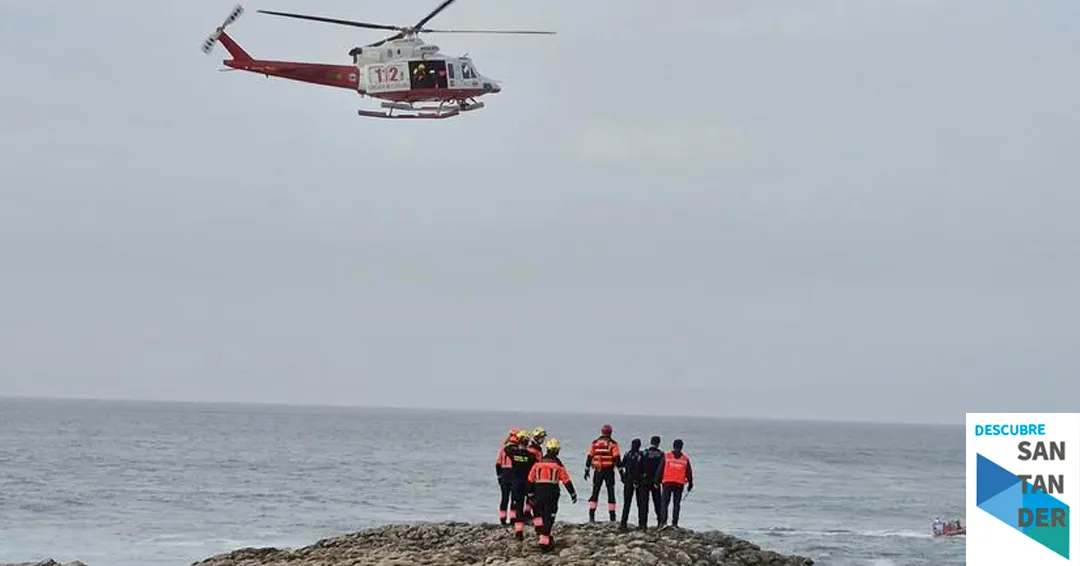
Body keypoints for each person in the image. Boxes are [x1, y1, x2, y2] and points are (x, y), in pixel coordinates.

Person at [527, 437, 577, 551]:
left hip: (538, 492)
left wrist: (530, 495)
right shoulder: (557, 466)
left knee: (540, 514)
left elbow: (529, 480)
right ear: (557, 451)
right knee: (550, 517)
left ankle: (541, 533)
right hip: (552, 493)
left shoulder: (537, 465)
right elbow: (566, 481)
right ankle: (544, 542)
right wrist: (573, 494)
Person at [504, 430, 538, 540]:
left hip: (516, 484)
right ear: (528, 443)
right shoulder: (531, 456)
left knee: (518, 508)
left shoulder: (512, 453)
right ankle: (540, 530)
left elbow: (506, 447)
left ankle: (519, 532)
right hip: (528, 484)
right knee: (534, 507)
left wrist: (510, 437)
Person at [585, 424, 622, 522]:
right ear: (610, 432)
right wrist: (622, 473)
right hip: (609, 470)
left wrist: (587, 469)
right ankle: (612, 517)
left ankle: (591, 516)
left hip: (598, 471)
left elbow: (589, 456)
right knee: (611, 493)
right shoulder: (612, 444)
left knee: (595, 492)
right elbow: (617, 459)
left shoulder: (595, 443)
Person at [655, 438, 693, 529]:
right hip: (679, 484)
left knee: (664, 503)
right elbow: (689, 473)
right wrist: (690, 483)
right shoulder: (685, 459)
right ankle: (674, 523)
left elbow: (660, 469)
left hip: (667, 482)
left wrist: (656, 481)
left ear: (673, 446)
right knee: (676, 504)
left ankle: (663, 522)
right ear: (681, 447)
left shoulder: (667, 456)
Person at [619, 438, 644, 530]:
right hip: (635, 481)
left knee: (628, 503)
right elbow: (642, 469)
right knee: (638, 503)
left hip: (631, 481)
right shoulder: (639, 455)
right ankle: (640, 523)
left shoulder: (628, 454)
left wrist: (622, 475)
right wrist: (623, 476)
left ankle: (623, 523)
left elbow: (621, 465)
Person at [640, 435, 665, 528]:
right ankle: (660, 522)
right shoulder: (661, 454)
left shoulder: (644, 453)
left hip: (645, 480)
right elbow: (663, 469)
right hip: (656, 481)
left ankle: (643, 524)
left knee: (644, 503)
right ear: (658, 443)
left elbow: (640, 467)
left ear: (651, 442)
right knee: (658, 503)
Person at [496, 428, 519, 525]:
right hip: (514, 476)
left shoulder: (503, 450)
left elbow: (497, 465)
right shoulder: (518, 451)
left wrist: (499, 477)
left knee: (504, 499)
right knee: (514, 499)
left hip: (504, 476)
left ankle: (502, 519)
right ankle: (513, 519)